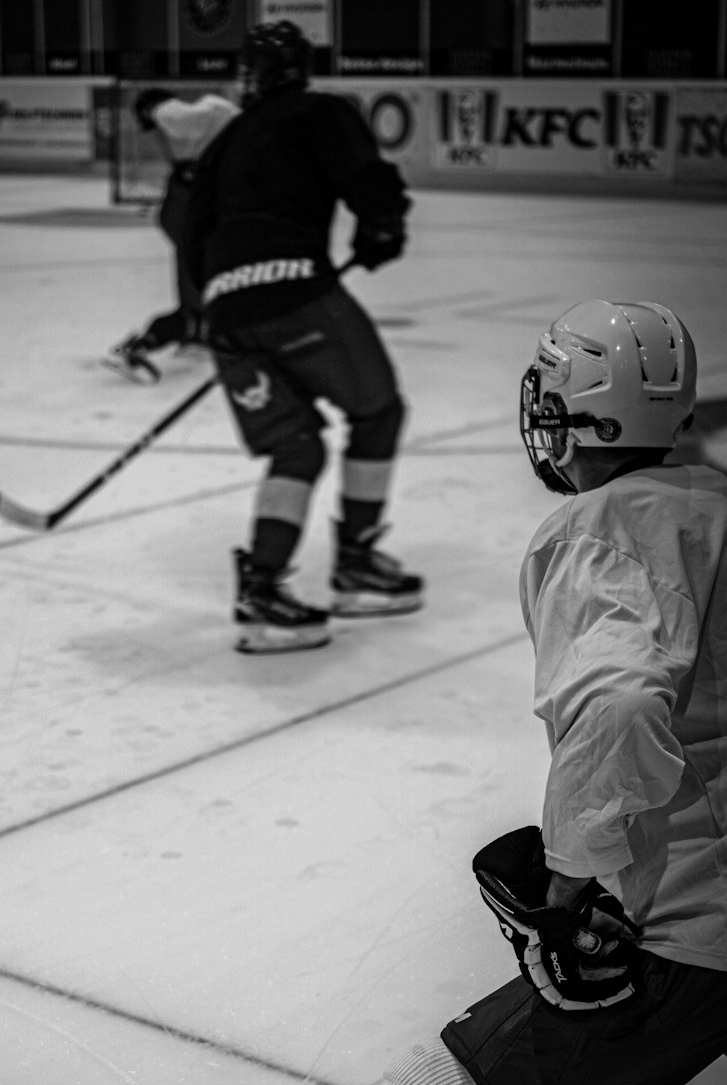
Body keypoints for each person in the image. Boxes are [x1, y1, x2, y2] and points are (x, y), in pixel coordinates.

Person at [0, 298, 727, 1085]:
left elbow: (623, 704)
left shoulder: (606, 534)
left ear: (576, 417)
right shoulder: (710, 504)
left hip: (688, 935)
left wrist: (576, 889)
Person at [177, 20, 422, 653]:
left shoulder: (226, 139)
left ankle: (261, 594)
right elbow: (366, 176)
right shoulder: (320, 112)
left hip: (227, 311)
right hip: (296, 293)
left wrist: (209, 310)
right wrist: (381, 228)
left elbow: (186, 226)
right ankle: (356, 564)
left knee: (296, 450)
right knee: (377, 412)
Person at [104, 87, 239, 383]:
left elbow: (181, 118)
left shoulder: (210, 113)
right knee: (198, 301)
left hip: (190, 211)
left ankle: (190, 333)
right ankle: (148, 342)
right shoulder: (209, 114)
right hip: (190, 211)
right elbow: (179, 116)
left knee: (204, 295)